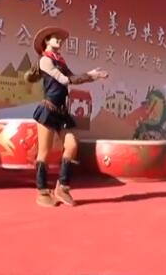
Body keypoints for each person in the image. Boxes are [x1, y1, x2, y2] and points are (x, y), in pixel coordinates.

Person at [26, 26, 109, 207]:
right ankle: (42, 191)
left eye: (60, 38)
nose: (59, 40)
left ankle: (62, 188)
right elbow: (64, 80)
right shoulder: (44, 61)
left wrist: (92, 76)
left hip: (62, 112)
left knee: (72, 146)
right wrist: (89, 75)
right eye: (55, 38)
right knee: (44, 152)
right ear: (46, 41)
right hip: (48, 109)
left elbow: (72, 77)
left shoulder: (60, 61)